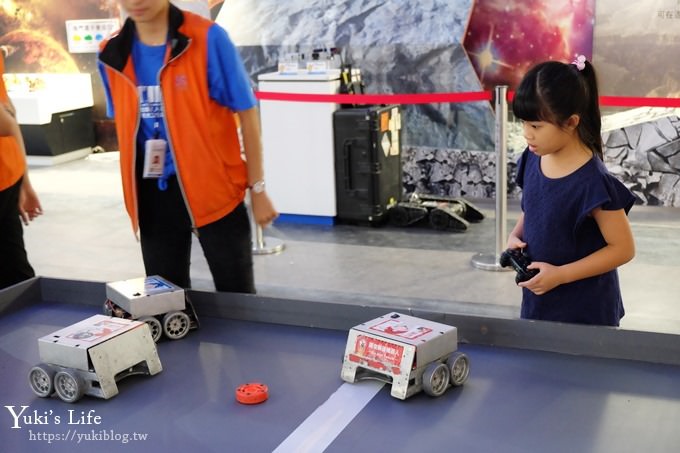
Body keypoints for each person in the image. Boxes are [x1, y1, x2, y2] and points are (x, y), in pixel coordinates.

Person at [98, 0, 277, 293]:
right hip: (153, 197)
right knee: (166, 304)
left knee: (238, 300)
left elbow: (247, 112)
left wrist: (258, 189)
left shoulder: (207, 38)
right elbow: (126, 126)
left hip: (216, 192)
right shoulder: (111, 53)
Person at [506, 55, 636, 326]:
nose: (526, 134)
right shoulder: (532, 157)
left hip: (586, 312)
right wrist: (515, 236)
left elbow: (623, 249)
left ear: (572, 122)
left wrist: (561, 274)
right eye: (524, 124)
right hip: (540, 300)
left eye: (536, 126)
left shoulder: (593, 181)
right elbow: (533, 208)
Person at [0, 50, 42, 290]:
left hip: (7, 175)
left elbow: (7, 121)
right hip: (9, 173)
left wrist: (24, 184)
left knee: (14, 272)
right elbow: (9, 112)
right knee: (14, 269)